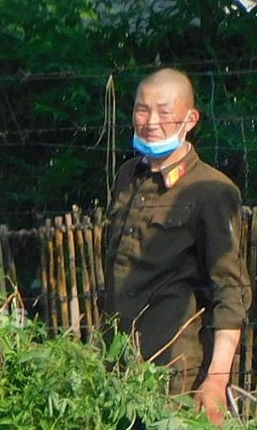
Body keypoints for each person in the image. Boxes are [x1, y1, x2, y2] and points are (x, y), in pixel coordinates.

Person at [104, 68, 251, 426]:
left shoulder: (212, 191)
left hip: (174, 377)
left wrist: (216, 381)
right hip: (117, 370)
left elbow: (230, 290)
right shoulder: (128, 177)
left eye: (165, 112)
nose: (151, 122)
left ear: (191, 119)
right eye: (142, 109)